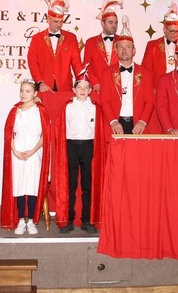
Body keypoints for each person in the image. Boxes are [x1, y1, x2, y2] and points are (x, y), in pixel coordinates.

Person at [54, 70, 106, 234]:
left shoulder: (95, 108)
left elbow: (99, 131)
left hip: (89, 146)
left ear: (90, 90)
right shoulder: (67, 107)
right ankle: (68, 219)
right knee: (70, 184)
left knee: (87, 185)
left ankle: (87, 220)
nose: (82, 90)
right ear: (74, 89)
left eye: (86, 87)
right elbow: (60, 129)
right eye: (79, 87)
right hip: (71, 146)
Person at [0, 79, 51, 235]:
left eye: (28, 91)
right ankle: (22, 220)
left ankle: (33, 221)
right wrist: (15, 151)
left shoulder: (40, 111)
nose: (23, 94)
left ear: (35, 93)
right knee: (20, 185)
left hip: (34, 151)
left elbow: (45, 136)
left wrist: (33, 150)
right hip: (18, 150)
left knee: (33, 185)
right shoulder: (15, 111)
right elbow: (9, 134)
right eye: (22, 90)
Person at [99, 15, 155, 135]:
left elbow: (149, 101)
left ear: (134, 51)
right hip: (115, 124)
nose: (124, 50)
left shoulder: (145, 73)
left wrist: (142, 122)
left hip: (138, 125)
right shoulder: (106, 73)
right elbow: (104, 100)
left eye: (128, 47)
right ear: (116, 50)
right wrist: (113, 121)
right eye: (121, 47)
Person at [27, 0, 83, 93]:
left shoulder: (71, 38)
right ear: (48, 19)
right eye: (56, 21)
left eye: (61, 21)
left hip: (65, 87)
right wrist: (40, 82)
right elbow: (32, 62)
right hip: (44, 87)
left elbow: (76, 63)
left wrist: (81, 81)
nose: (59, 25)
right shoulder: (37, 39)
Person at [142, 2, 178, 87]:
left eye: (177, 31)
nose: (175, 34)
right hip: (159, 88)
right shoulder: (152, 46)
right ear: (164, 29)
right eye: (172, 31)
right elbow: (146, 71)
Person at [83, 0, 121, 93]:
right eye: (110, 22)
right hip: (97, 89)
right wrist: (95, 83)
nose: (114, 25)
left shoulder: (122, 41)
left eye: (116, 23)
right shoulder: (91, 42)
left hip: (118, 88)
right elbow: (87, 67)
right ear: (102, 24)